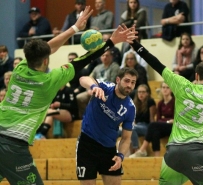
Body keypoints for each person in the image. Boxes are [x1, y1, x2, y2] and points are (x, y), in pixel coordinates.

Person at [0, 6, 137, 184]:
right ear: (46, 60)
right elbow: (83, 60)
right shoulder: (51, 80)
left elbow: (46, 48)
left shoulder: (19, 69)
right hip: (13, 145)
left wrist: (74, 29)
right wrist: (110, 41)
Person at [129, 29, 203, 184]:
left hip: (173, 153)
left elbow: (155, 63)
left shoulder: (182, 84)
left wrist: (136, 45)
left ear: (196, 76)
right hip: (197, 153)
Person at [76, 67, 138, 185]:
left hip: (108, 150)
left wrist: (120, 156)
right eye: (127, 80)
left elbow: (126, 138)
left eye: (133, 82)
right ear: (118, 80)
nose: (129, 85)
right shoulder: (105, 87)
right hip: (87, 145)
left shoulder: (130, 108)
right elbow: (83, 79)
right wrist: (94, 87)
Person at [129, 82, 175, 157]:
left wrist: (168, 121)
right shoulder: (160, 103)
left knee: (152, 125)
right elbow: (159, 119)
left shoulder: (174, 102)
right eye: (163, 87)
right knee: (155, 132)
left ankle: (142, 150)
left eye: (167, 87)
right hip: (163, 125)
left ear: (171, 90)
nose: (165, 90)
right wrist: (165, 121)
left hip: (172, 126)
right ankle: (156, 157)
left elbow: (175, 118)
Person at [76, 49, 120, 118]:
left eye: (107, 56)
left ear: (111, 57)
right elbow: (90, 78)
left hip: (108, 91)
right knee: (79, 98)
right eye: (103, 55)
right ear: (100, 57)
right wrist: (89, 89)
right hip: (95, 89)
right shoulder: (97, 67)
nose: (105, 57)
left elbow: (112, 82)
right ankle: (84, 117)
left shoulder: (115, 67)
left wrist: (100, 90)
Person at [129, 84, 156, 153]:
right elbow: (133, 119)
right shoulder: (135, 103)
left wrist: (152, 132)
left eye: (143, 92)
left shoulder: (150, 102)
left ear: (147, 93)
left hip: (147, 126)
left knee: (131, 129)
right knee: (122, 130)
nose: (141, 94)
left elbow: (152, 119)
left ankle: (137, 150)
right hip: (137, 126)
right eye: (139, 92)